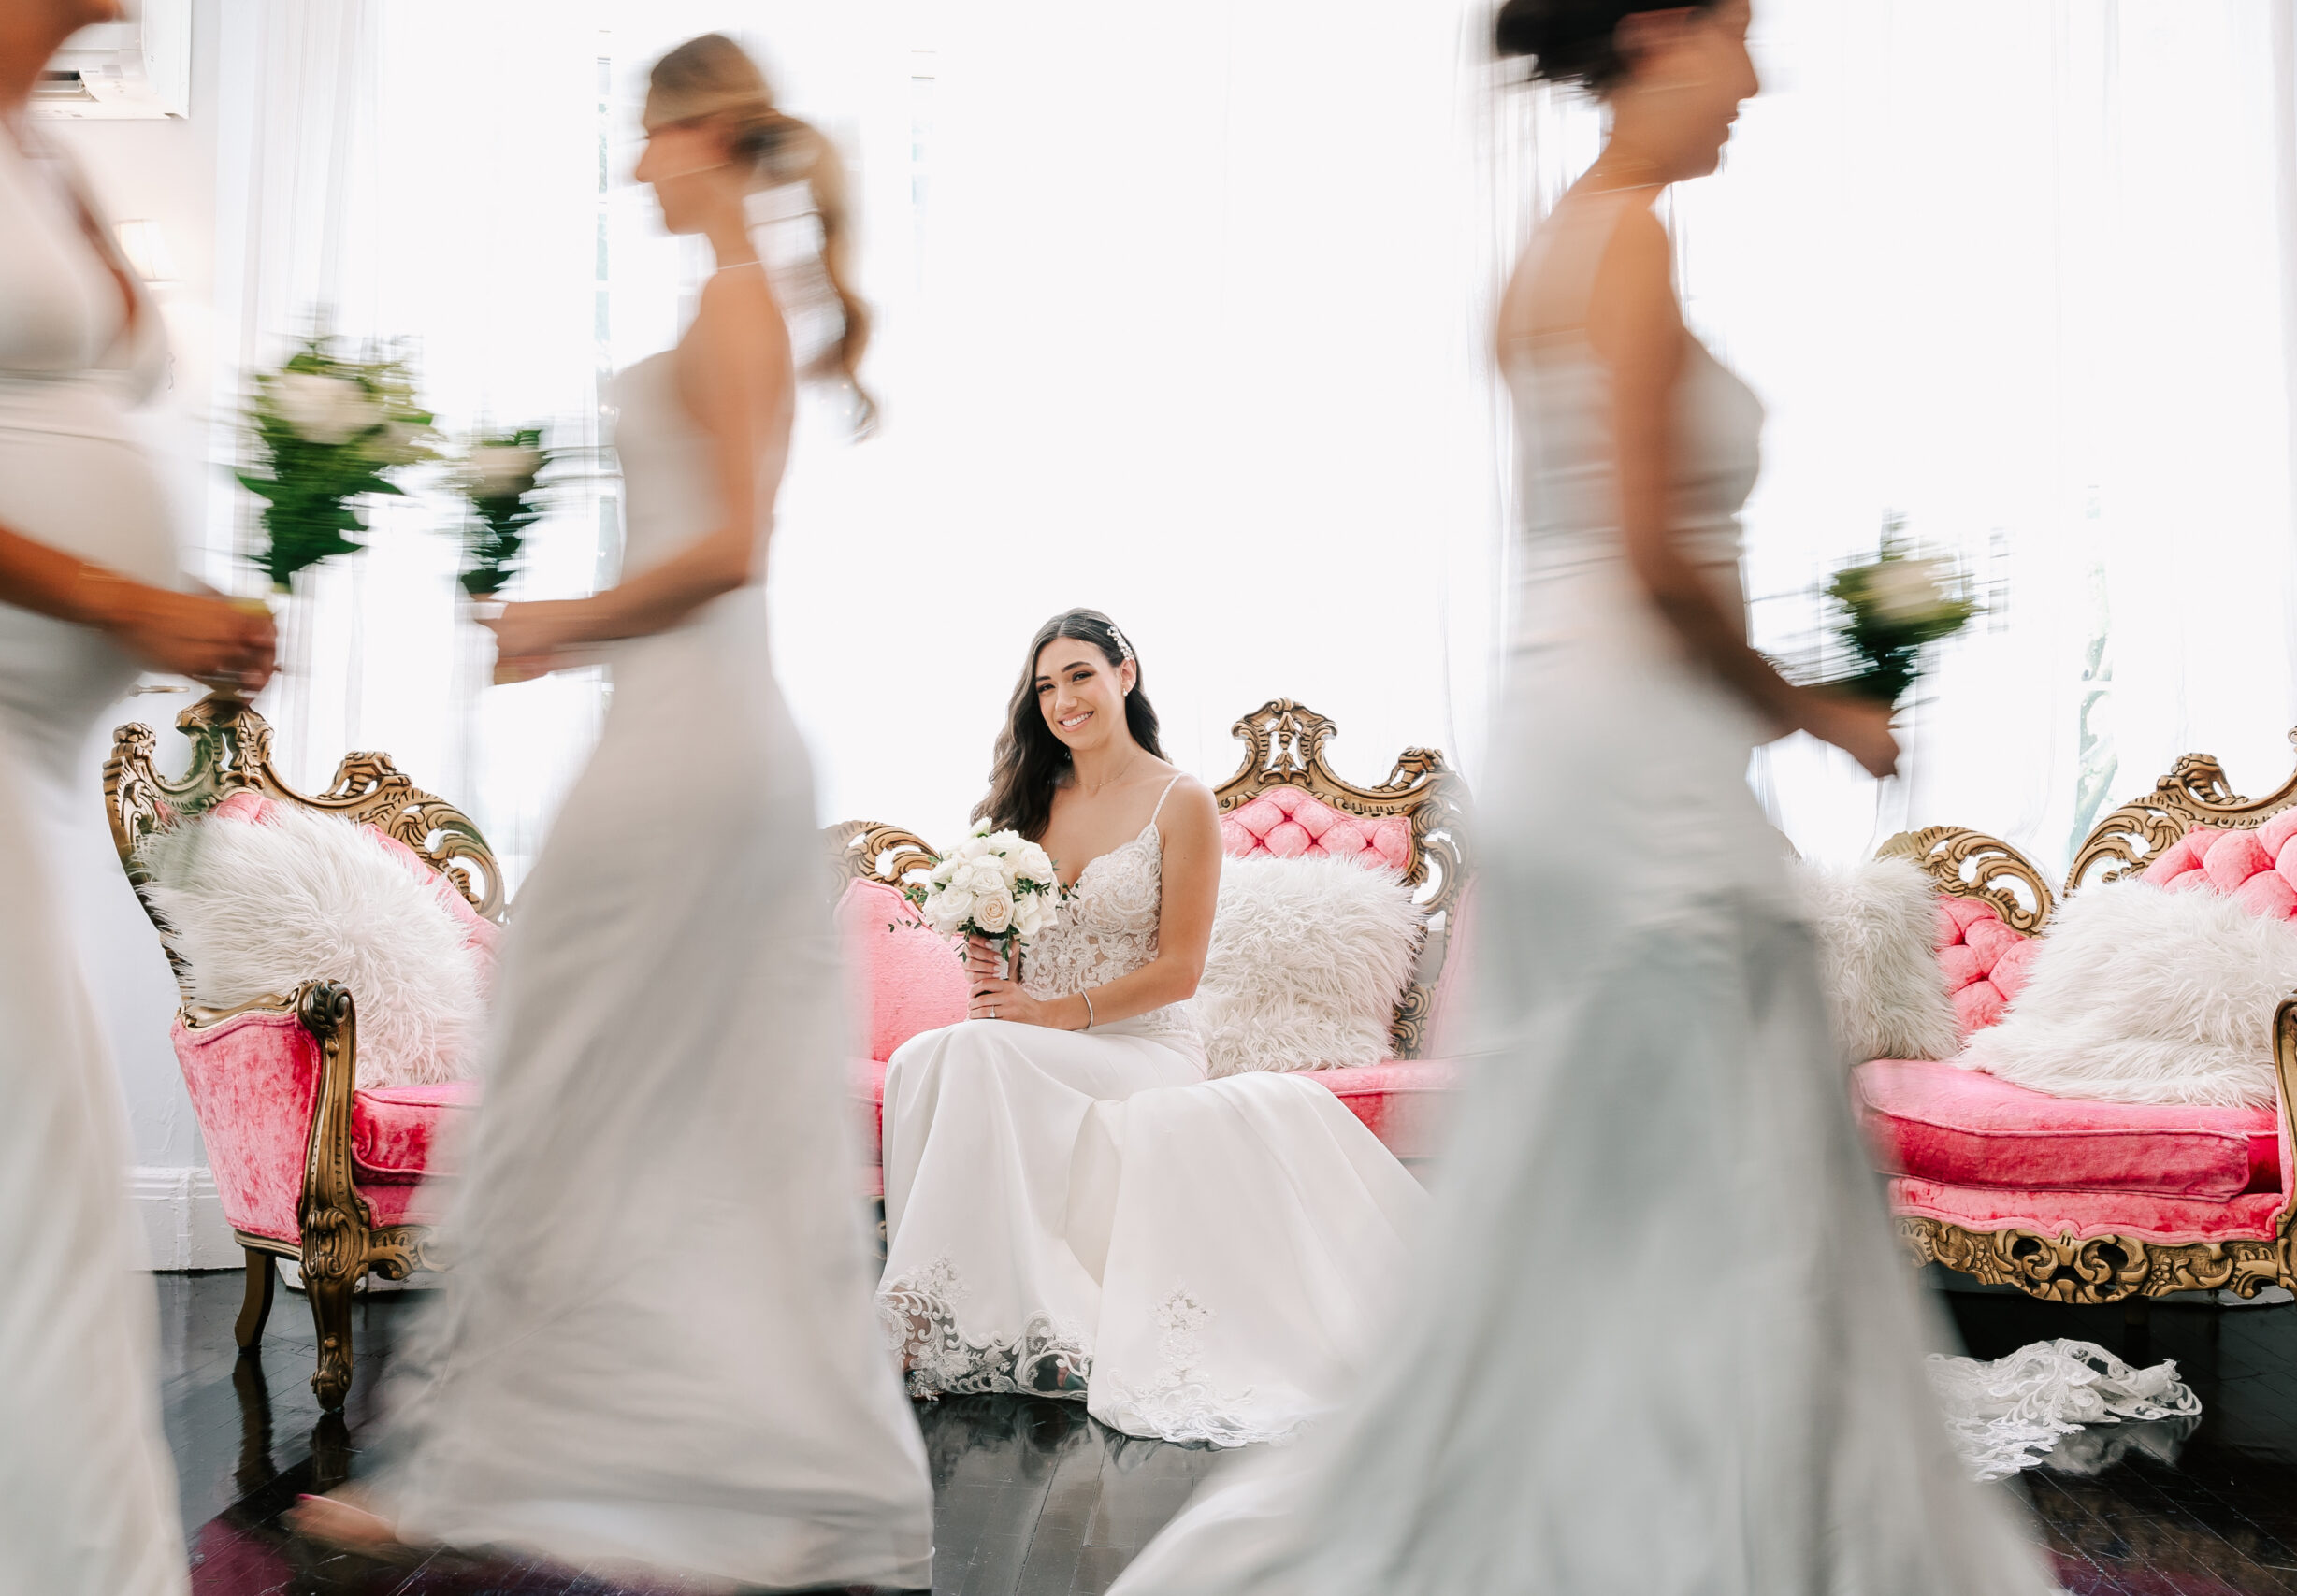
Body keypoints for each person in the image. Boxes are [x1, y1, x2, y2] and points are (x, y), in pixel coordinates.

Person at [1111, 3, 2058, 1589]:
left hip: (1582, 729)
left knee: (1633, 1143)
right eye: (1739, 35)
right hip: (1632, 750)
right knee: (1725, 1118)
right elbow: (1651, 552)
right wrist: (1819, 707)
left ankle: (1649, 1498)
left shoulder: (1555, 253)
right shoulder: (1618, 247)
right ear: (1656, 28)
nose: (1756, 79)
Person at [286, 35, 934, 1589]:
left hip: (694, 743)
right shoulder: (734, 303)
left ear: (703, 132)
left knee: (572, 1077)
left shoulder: (728, 305)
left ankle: (479, 1464)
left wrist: (552, 625)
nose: (630, 166)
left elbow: (729, 557)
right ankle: (555, 1456)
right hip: (690, 734)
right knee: (624, 1097)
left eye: (643, 138)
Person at [0, 2, 281, 1591]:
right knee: (24, 1184)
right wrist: (114, 601)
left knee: (12, 1187)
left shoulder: (44, 143)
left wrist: (169, 602)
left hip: (22, 746)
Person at [876, 608, 1425, 1446]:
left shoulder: (1183, 801)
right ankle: (964, 1309)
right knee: (924, 1056)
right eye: (1047, 685)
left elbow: (1181, 970)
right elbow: (1015, 955)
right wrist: (993, 966)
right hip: (1039, 1041)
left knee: (975, 1055)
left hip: (1144, 1050)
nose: (1063, 699)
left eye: (1080, 676)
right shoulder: (1027, 802)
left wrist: (1051, 1013)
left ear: (1124, 674)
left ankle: (945, 1322)